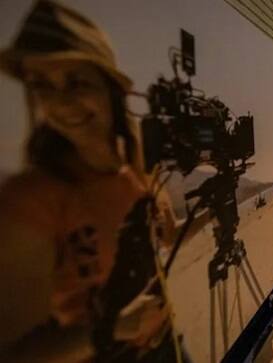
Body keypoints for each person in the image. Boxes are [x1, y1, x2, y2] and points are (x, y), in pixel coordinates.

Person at [0, 1, 205, 360]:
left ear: (110, 89)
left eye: (77, 82)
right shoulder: (31, 198)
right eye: (42, 85)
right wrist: (114, 327)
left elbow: (169, 238)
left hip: (167, 344)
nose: (61, 103)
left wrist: (214, 206)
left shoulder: (138, 169)